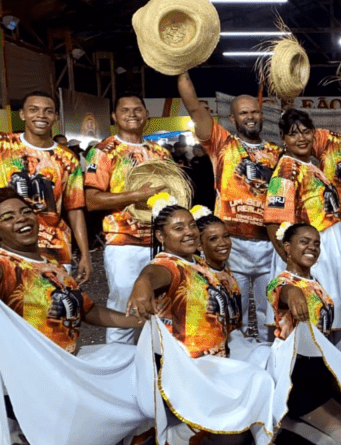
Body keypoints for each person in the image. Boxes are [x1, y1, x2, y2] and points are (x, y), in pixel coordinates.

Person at [0, 188, 145, 445]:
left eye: (25, 212)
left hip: (70, 363)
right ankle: (24, 438)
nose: (21, 220)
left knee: (135, 360)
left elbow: (89, 311)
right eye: (7, 217)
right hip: (33, 379)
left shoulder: (51, 265)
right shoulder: (4, 265)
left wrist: (140, 320)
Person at [126, 196, 276, 445]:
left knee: (237, 429)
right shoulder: (168, 264)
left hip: (214, 358)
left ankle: (153, 427)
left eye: (191, 226)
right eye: (178, 228)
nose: (189, 232)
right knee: (257, 382)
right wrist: (142, 284)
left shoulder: (195, 262)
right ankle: (184, 438)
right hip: (190, 365)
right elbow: (153, 274)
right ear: (160, 235)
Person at [178, 72, 282, 340]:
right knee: (233, 308)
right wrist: (181, 69)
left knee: (267, 310)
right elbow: (192, 106)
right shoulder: (222, 143)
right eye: (244, 113)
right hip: (231, 243)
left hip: (268, 243)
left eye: (255, 112)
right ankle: (237, 362)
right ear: (233, 119)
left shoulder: (276, 152)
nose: (251, 117)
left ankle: (269, 361)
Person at [266, 223, 341, 445]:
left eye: (316, 243)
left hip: (320, 371)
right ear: (287, 248)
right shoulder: (280, 282)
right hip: (298, 377)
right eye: (304, 242)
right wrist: (294, 294)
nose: (312, 247)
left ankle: (302, 418)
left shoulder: (315, 282)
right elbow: (282, 291)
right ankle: (288, 420)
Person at [84, 91, 172, 344]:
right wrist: (136, 195)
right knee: (126, 310)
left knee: (160, 312)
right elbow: (91, 200)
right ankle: (119, 371)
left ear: (147, 114)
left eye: (137, 109)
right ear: (114, 116)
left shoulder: (160, 153)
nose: (132, 114)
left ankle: (152, 372)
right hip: (124, 243)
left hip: (160, 245)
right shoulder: (103, 151)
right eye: (125, 110)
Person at [265, 108, 341, 330]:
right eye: (293, 134)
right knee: (310, 318)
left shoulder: (311, 165)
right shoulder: (286, 170)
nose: (301, 138)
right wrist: (292, 265)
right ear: (283, 139)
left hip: (326, 243)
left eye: (305, 131)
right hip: (308, 248)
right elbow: (274, 220)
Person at [0, 91, 91, 284]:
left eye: (48, 111)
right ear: (22, 114)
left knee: (54, 309)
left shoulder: (67, 158)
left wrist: (85, 254)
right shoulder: (4, 146)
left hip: (55, 248)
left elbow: (75, 209)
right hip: (7, 247)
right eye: (34, 110)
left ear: (56, 117)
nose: (41, 115)